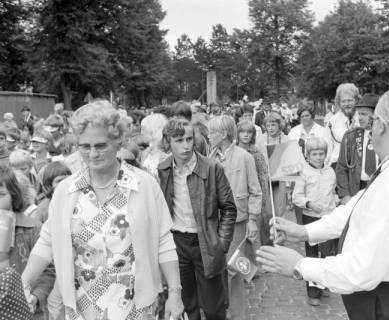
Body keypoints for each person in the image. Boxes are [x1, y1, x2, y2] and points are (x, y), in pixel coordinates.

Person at [257, 89, 389, 320]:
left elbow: (362, 269)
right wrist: (304, 231)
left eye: (372, 122)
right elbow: (357, 209)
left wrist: (299, 265)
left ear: (380, 125)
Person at [21, 100, 184, 320]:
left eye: (100, 146)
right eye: (85, 146)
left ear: (118, 142)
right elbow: (47, 240)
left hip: (135, 307)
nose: (92, 154)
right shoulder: (65, 191)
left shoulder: (144, 186)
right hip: (82, 306)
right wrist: (25, 283)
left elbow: (164, 241)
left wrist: (175, 293)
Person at [157, 118, 237, 320]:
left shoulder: (211, 168)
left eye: (189, 139)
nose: (186, 145)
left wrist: (222, 244)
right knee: (186, 304)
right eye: (179, 140)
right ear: (168, 142)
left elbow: (228, 208)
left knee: (213, 306)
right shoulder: (164, 169)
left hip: (206, 242)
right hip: (177, 243)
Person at [208, 115, 262, 320]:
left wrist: (253, 219)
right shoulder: (209, 156)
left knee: (234, 267)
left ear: (223, 134)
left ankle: (237, 314)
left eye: (212, 132)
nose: (208, 135)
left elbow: (256, 191)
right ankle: (220, 309)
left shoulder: (243, 156)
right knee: (217, 268)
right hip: (215, 220)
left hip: (238, 220)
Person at [0, 165, 55, 319]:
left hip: (28, 311)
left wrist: (36, 297)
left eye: (0, 194)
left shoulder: (32, 228)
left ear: (14, 195)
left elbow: (48, 270)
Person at [292, 136, 336, 306]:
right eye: (314, 154)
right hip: (310, 217)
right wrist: (308, 203)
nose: (318, 157)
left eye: (321, 154)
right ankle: (313, 292)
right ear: (307, 155)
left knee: (326, 254)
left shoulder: (330, 172)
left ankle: (323, 283)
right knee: (312, 255)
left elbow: (333, 192)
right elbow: (297, 197)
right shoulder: (304, 173)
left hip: (327, 217)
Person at [336, 93, 380, 205]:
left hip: (380, 190)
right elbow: (341, 168)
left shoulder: (386, 137)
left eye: (364, 114)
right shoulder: (351, 136)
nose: (359, 118)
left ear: (376, 115)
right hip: (356, 190)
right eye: (359, 114)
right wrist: (345, 195)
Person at [237, 120, 272, 248]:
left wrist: (263, 201)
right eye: (242, 132)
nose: (246, 135)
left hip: (254, 198)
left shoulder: (257, 154)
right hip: (238, 197)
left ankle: (258, 265)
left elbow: (263, 178)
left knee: (254, 235)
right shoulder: (232, 151)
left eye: (249, 132)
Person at [326, 83, 361, 169]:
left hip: (359, 165)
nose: (347, 104)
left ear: (356, 100)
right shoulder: (332, 122)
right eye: (343, 101)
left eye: (350, 100)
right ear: (339, 103)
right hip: (338, 166)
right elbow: (328, 148)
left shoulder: (362, 119)